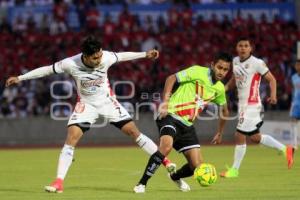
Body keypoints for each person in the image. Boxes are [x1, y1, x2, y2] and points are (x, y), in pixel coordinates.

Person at [5, 36, 175, 193]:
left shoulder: (106, 57)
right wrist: (21, 78)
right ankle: (58, 182)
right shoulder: (70, 63)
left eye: (100, 55)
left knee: (134, 132)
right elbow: (47, 70)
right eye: (95, 57)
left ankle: (165, 161)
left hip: (108, 102)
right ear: (85, 56)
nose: (99, 59)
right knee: (71, 138)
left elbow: (123, 56)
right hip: (86, 105)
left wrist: (145, 54)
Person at [133, 52, 232, 193]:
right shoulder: (198, 71)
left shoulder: (219, 89)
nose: (222, 72)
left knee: (196, 166)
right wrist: (166, 103)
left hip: (187, 126)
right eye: (219, 67)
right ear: (212, 65)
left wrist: (220, 132)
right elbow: (171, 78)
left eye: (225, 69)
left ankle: (175, 176)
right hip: (170, 115)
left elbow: (225, 111)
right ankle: (142, 184)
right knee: (166, 147)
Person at [220, 37, 295, 178]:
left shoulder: (257, 63)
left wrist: (273, 95)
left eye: (246, 46)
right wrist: (223, 89)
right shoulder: (235, 61)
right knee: (255, 137)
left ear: (250, 48)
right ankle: (286, 150)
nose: (243, 48)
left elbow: (272, 79)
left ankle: (234, 170)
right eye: (240, 45)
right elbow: (233, 80)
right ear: (237, 48)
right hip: (243, 105)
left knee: (239, 135)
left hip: (252, 105)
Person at [290, 60, 300, 148]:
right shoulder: (293, 77)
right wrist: (293, 103)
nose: (297, 67)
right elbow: (294, 90)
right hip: (296, 103)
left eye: (298, 65)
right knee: (294, 122)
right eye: (296, 65)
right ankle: (295, 143)